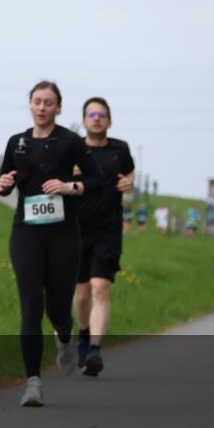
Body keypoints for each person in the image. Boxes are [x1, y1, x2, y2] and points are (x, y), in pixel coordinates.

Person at [0, 81, 104, 406]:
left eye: (48, 102)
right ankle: (33, 383)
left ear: (58, 107)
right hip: (25, 232)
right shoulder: (17, 142)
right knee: (31, 308)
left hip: (63, 234)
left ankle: (65, 336)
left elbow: (96, 180)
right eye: (37, 101)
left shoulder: (70, 141)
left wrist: (69, 187)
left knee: (57, 308)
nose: (42, 107)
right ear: (30, 105)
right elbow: (4, 181)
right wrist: (3, 184)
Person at [72, 97, 134, 377]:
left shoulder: (120, 149)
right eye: (91, 114)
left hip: (108, 229)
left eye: (101, 115)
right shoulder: (73, 149)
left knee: (100, 287)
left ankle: (95, 351)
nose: (96, 118)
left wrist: (129, 182)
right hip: (76, 230)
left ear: (109, 120)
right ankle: (83, 335)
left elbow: (129, 172)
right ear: (84, 120)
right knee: (82, 295)